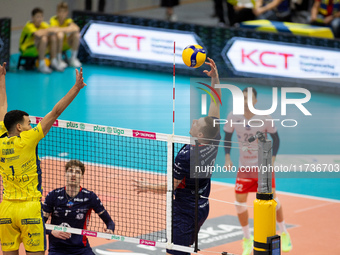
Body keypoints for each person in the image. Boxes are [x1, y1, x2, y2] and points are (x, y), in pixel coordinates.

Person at [133, 57, 221, 255]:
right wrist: (215, 79)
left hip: (184, 211)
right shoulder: (213, 140)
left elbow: (172, 186)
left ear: (199, 135)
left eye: (197, 123)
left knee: (175, 252)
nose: (195, 120)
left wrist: (147, 186)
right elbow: (216, 104)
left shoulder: (187, 156)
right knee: (182, 250)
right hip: (202, 207)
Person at [0, 65, 86, 255]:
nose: (32, 126)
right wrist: (76, 88)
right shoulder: (28, 139)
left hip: (6, 209)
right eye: (29, 123)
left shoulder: (1, 139)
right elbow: (55, 112)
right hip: (29, 208)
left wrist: (1, 80)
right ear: (20, 128)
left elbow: (1, 108)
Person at [223, 87, 292, 255]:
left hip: (263, 164)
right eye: (243, 98)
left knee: (272, 200)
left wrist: (273, 158)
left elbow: (276, 138)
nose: (245, 101)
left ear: (255, 101)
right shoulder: (233, 116)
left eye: (248, 98)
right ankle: (247, 238)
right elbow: (227, 137)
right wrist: (227, 157)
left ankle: (283, 232)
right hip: (245, 167)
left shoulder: (265, 118)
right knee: (239, 202)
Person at [42, 160, 115, 255]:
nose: (73, 175)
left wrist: (110, 229)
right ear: (65, 174)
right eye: (70, 171)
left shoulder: (89, 197)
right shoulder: (53, 195)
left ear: (82, 176)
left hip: (81, 249)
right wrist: (51, 231)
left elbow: (109, 222)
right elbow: (40, 223)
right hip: (57, 249)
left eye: (77, 172)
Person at [19, 7, 64, 73]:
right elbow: (38, 34)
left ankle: (54, 61)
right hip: (26, 49)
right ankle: (41, 65)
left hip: (37, 47)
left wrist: (48, 31)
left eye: (41, 17)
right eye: (37, 17)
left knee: (53, 37)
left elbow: (55, 30)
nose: (40, 19)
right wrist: (48, 31)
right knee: (43, 38)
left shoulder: (43, 24)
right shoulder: (29, 26)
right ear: (32, 17)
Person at [50, 1, 82, 68]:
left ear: (67, 12)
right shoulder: (53, 20)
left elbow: (76, 28)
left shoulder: (68, 20)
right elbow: (55, 30)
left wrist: (61, 29)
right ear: (57, 12)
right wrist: (68, 29)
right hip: (56, 44)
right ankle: (58, 59)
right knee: (60, 34)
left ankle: (73, 58)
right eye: (60, 11)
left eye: (64, 12)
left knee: (77, 35)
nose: (62, 14)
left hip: (65, 44)